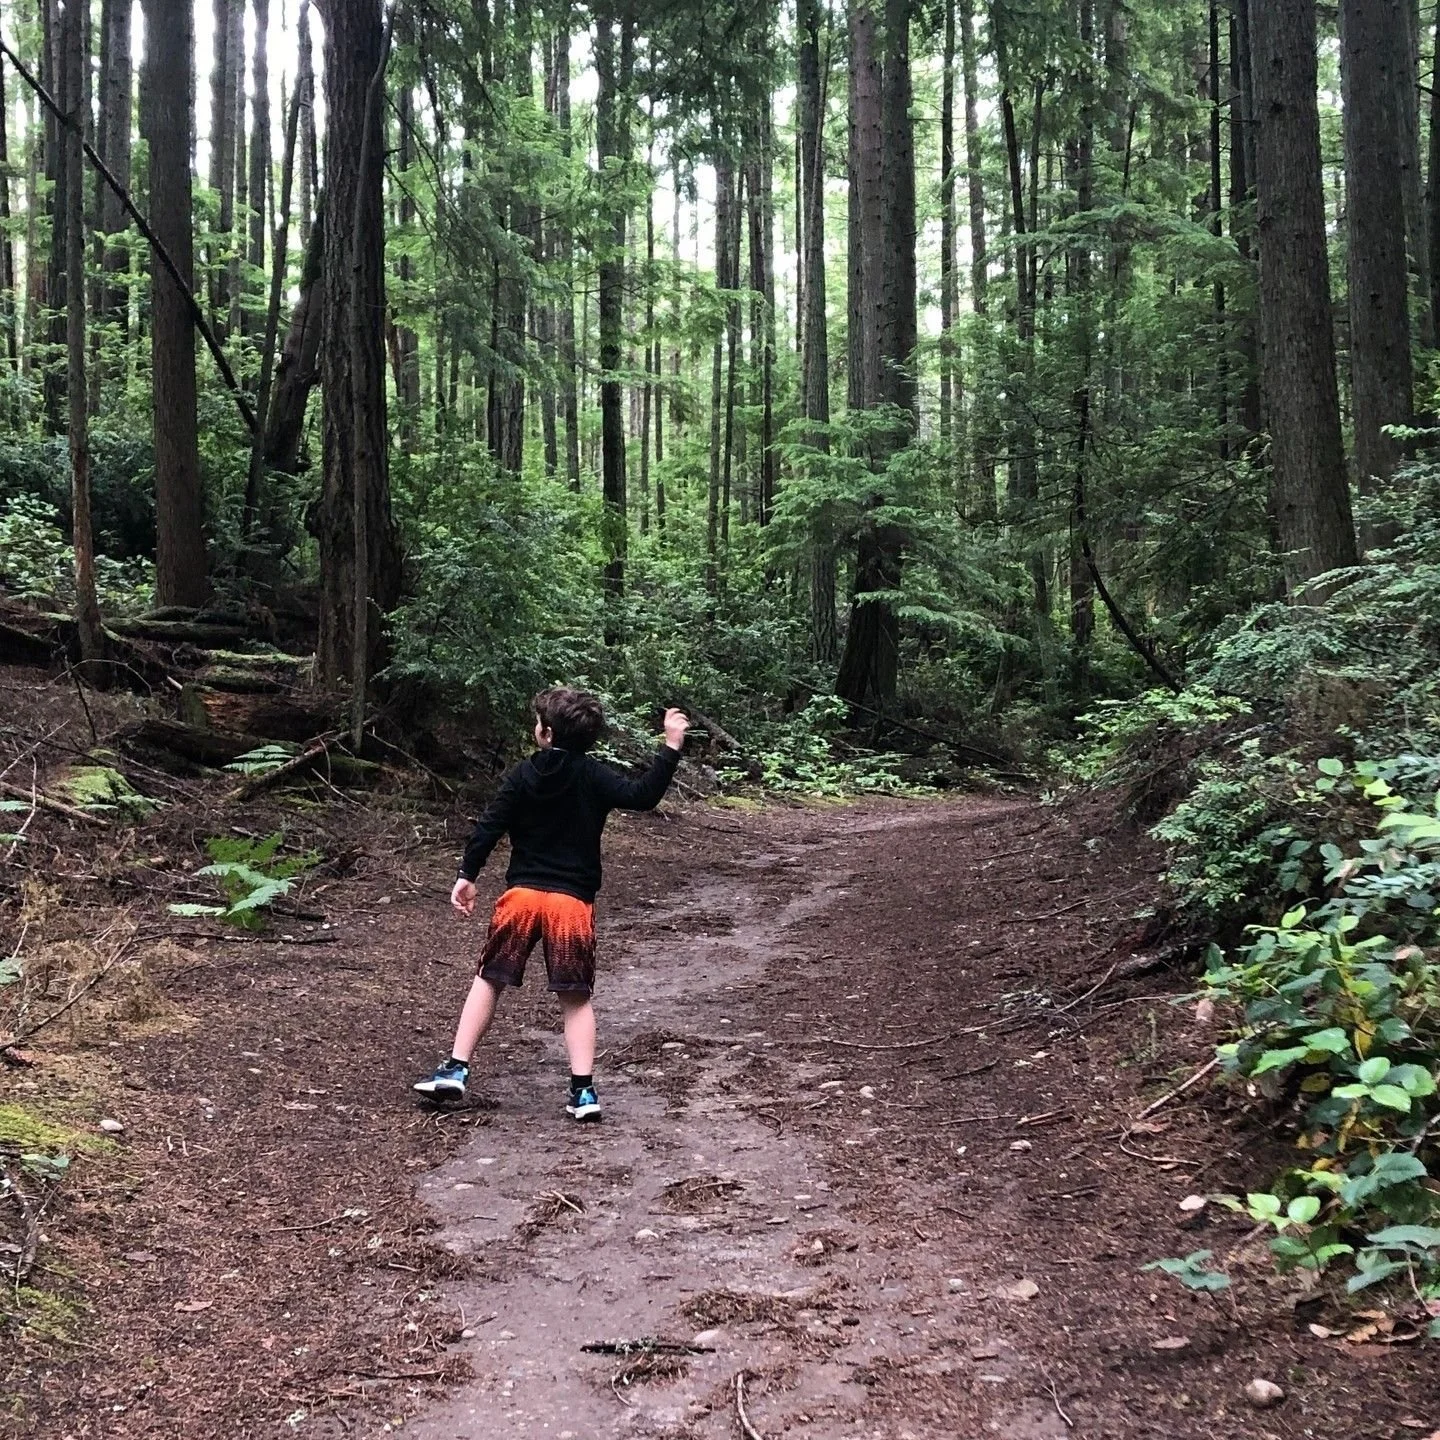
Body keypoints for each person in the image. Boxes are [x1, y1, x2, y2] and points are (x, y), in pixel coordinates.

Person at [414, 688, 689, 1122]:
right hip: (570, 903)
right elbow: (643, 795)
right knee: (575, 998)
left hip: (521, 898)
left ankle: (456, 1068)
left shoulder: (523, 774)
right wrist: (671, 746)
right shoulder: (594, 776)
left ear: (545, 733)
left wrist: (468, 874)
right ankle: (583, 1092)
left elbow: (490, 825)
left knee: (489, 979)